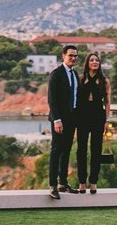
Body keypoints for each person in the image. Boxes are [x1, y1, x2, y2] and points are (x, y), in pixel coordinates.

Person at [46, 44, 80, 199]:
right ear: (63, 56)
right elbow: (52, 100)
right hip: (59, 119)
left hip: (72, 119)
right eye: (70, 55)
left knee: (66, 151)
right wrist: (56, 120)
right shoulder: (56, 74)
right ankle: (52, 185)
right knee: (56, 151)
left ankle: (63, 183)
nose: (73, 58)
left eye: (75, 56)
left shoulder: (74, 74)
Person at [74, 51, 111, 194]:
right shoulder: (81, 79)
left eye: (97, 60)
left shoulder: (104, 81)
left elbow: (107, 102)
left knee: (96, 150)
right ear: (87, 63)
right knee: (81, 150)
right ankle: (82, 182)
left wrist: (106, 120)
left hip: (98, 116)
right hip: (82, 116)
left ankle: (93, 182)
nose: (94, 62)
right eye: (92, 60)